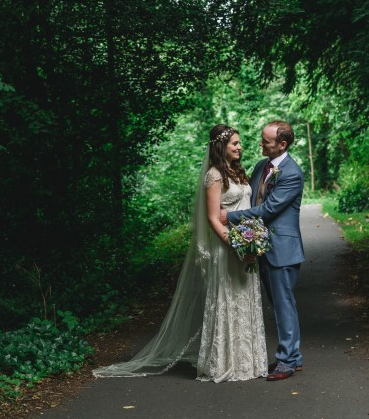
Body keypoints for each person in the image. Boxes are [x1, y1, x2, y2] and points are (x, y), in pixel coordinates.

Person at [92, 124, 267, 383]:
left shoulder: (238, 172)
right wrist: (234, 243)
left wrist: (252, 242)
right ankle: (226, 363)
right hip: (228, 246)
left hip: (246, 246)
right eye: (235, 144)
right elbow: (212, 218)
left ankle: (248, 362)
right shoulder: (214, 176)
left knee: (245, 298)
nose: (240, 147)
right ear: (221, 146)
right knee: (228, 299)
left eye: (240, 143)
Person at [221, 120, 305, 381]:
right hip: (261, 246)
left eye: (266, 141)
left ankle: (287, 361)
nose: (260, 144)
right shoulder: (261, 166)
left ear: (282, 144)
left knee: (283, 305)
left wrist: (229, 217)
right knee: (277, 303)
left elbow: (269, 210)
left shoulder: (291, 173)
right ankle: (294, 357)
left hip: (282, 248)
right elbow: (249, 195)